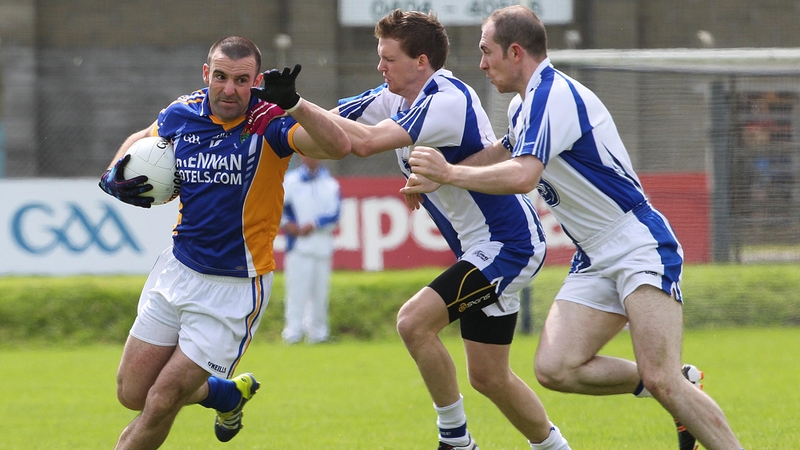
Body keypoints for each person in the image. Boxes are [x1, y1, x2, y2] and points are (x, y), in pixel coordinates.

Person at [403, 6, 743, 450]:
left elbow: (522, 175)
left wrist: (447, 174)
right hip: (593, 256)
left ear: (516, 52)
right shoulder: (524, 103)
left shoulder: (552, 95)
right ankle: (680, 386)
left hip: (637, 243)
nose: (482, 63)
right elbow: (501, 154)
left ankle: (677, 389)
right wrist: (436, 179)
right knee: (555, 369)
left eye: (487, 52)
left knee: (660, 379)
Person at [254, 9, 569, 450]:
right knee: (490, 378)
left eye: (389, 58)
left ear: (421, 61)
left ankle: (456, 441)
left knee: (413, 323)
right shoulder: (391, 96)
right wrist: (270, 127)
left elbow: (359, 144)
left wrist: (293, 105)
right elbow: (327, 134)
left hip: (508, 244)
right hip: (482, 249)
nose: (380, 67)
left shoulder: (447, 98)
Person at [99, 36, 350, 450]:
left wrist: (295, 104)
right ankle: (225, 394)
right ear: (206, 74)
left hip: (235, 288)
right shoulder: (182, 113)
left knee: (161, 401)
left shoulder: (270, 121)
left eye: (241, 80)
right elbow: (143, 135)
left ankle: (215, 394)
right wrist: (113, 173)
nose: (229, 89)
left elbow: (339, 146)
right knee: (132, 393)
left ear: (255, 81)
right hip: (176, 271)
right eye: (221, 77)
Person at [280, 155, 341, 344]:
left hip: (322, 245)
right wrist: (288, 224)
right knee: (296, 292)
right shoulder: (291, 181)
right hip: (298, 246)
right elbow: (278, 206)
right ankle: (293, 333)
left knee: (320, 293)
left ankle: (318, 334)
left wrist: (314, 224)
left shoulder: (330, 184)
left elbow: (335, 213)